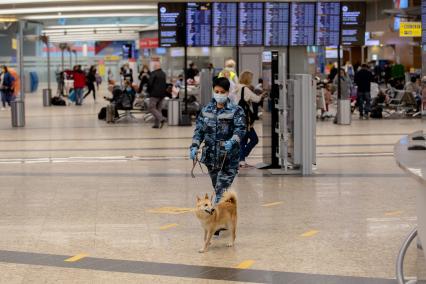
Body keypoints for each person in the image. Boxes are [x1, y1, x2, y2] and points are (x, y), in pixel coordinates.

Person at [190, 77, 246, 204]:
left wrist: (233, 141)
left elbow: (240, 130)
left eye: (222, 92)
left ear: (227, 92)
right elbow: (199, 131)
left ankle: (218, 220)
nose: (219, 94)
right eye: (217, 91)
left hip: (228, 159)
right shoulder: (205, 110)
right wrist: (194, 146)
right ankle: (226, 216)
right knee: (218, 188)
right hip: (211, 159)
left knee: (220, 191)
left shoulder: (236, 110)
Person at [235, 71, 266, 168]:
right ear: (247, 79)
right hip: (245, 120)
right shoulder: (245, 89)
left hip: (238, 117)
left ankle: (241, 161)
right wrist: (262, 95)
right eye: (251, 78)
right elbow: (256, 99)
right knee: (254, 139)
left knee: (243, 140)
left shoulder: (237, 87)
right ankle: (242, 156)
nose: (252, 80)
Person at [147, 61, 167, 128]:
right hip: (162, 94)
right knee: (158, 109)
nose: (153, 67)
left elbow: (150, 84)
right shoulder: (163, 74)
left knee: (151, 107)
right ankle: (156, 124)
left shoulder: (154, 73)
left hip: (154, 94)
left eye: (154, 66)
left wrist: (149, 92)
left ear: (156, 66)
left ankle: (161, 118)